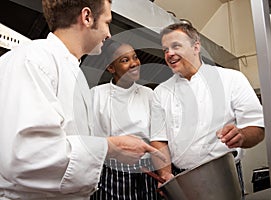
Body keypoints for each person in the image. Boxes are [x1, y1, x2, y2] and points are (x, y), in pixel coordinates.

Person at [0, 1, 165, 199]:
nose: (109, 34)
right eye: (107, 22)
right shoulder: (34, 59)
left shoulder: (73, 73)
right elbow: (27, 157)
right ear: (87, 17)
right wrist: (111, 147)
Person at [150, 23, 265, 197]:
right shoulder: (160, 92)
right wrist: (165, 174)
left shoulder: (231, 79)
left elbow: (257, 128)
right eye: (165, 49)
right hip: (182, 178)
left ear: (196, 46)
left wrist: (241, 136)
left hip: (226, 176)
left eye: (176, 46)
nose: (169, 54)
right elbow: (159, 140)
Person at [90, 40, 159, 200]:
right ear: (111, 67)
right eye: (125, 60)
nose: (134, 63)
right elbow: (90, 138)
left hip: (145, 171)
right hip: (109, 173)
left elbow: (157, 136)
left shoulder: (149, 94)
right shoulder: (96, 95)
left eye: (135, 57)